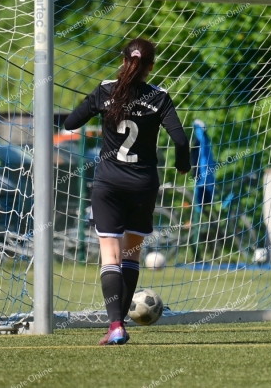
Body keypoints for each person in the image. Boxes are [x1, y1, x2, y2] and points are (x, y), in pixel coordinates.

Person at [64, 38, 191, 345]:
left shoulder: (106, 90)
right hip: (143, 185)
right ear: (151, 66)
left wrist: (98, 111)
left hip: (108, 183)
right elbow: (181, 141)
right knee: (132, 254)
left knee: (110, 254)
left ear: (123, 62)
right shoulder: (159, 97)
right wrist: (182, 166)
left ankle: (116, 325)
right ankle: (119, 325)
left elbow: (71, 122)